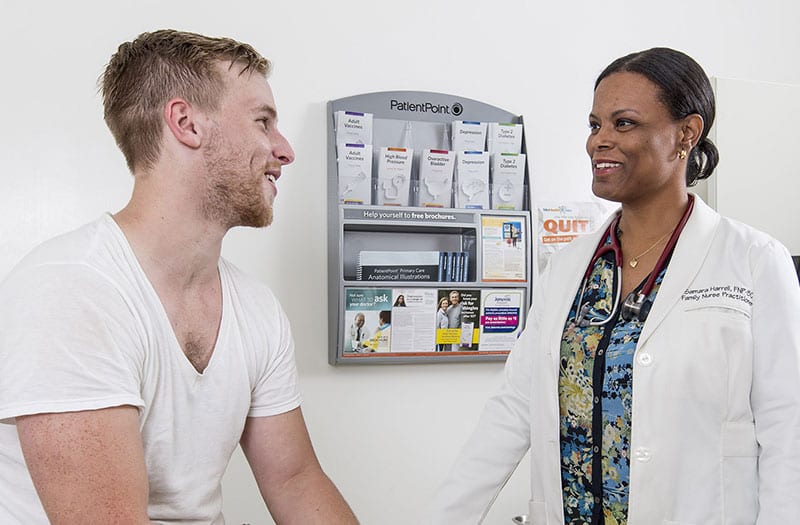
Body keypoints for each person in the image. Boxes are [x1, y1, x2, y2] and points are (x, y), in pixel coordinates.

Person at [424, 47, 800, 524]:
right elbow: (513, 411)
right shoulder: (568, 268)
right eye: (594, 124)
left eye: (623, 123)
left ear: (686, 133)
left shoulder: (754, 261)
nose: (599, 141)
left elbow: (789, 430)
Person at [0, 30, 358, 524]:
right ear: (186, 124)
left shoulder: (256, 308)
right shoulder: (70, 290)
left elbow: (295, 481)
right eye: (263, 122)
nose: (285, 150)